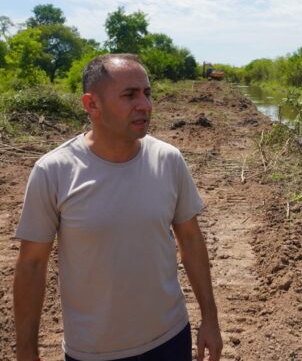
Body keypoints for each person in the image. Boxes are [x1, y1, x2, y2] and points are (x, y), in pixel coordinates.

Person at [13, 53, 222, 361]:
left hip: (170, 339)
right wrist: (26, 351)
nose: (145, 105)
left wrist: (210, 318)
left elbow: (191, 240)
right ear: (91, 105)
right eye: (129, 95)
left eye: (147, 94)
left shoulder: (168, 160)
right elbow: (31, 265)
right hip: (94, 351)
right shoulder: (54, 171)